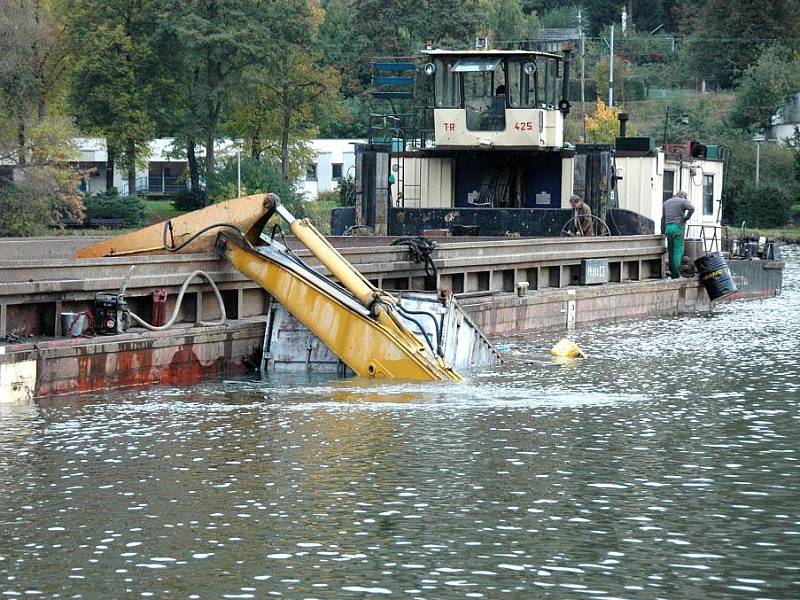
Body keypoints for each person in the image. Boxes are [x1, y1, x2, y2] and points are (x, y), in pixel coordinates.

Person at [662, 190, 695, 278]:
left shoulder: (666, 203)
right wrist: (686, 218)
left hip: (668, 228)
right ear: (683, 196)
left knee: (671, 250)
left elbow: (663, 218)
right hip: (678, 227)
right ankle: (676, 274)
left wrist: (662, 232)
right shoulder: (683, 201)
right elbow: (692, 208)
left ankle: (672, 272)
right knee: (678, 251)